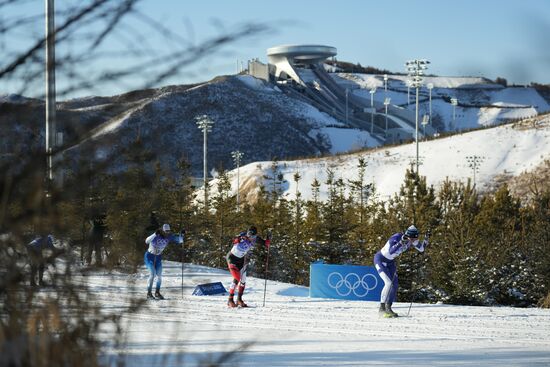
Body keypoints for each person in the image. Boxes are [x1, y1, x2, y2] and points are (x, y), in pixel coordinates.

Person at [373, 225, 430, 318]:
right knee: (388, 283)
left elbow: (421, 248)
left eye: (414, 239)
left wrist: (426, 239)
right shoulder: (396, 237)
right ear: (408, 235)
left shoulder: (412, 239)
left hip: (390, 262)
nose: (412, 241)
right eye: (411, 239)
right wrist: (401, 242)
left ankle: (388, 308)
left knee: (395, 284)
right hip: (381, 260)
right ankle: (382, 308)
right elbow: (391, 251)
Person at [226, 226, 271, 308]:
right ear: (247, 234)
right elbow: (235, 240)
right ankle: (230, 299)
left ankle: (239, 300)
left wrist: (268, 240)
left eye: (253, 236)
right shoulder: (242, 236)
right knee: (237, 278)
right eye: (249, 236)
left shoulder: (256, 238)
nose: (251, 238)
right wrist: (238, 239)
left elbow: (265, 243)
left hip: (241, 260)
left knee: (243, 280)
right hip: (232, 259)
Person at [144, 223, 184, 300]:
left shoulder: (169, 236)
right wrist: (155, 234)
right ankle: (149, 293)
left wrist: (181, 234)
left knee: (159, 276)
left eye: (168, 231)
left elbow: (180, 241)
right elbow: (146, 241)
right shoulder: (156, 235)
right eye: (166, 231)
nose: (167, 233)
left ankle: (157, 293)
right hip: (149, 256)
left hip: (158, 257)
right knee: (152, 274)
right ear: (162, 230)